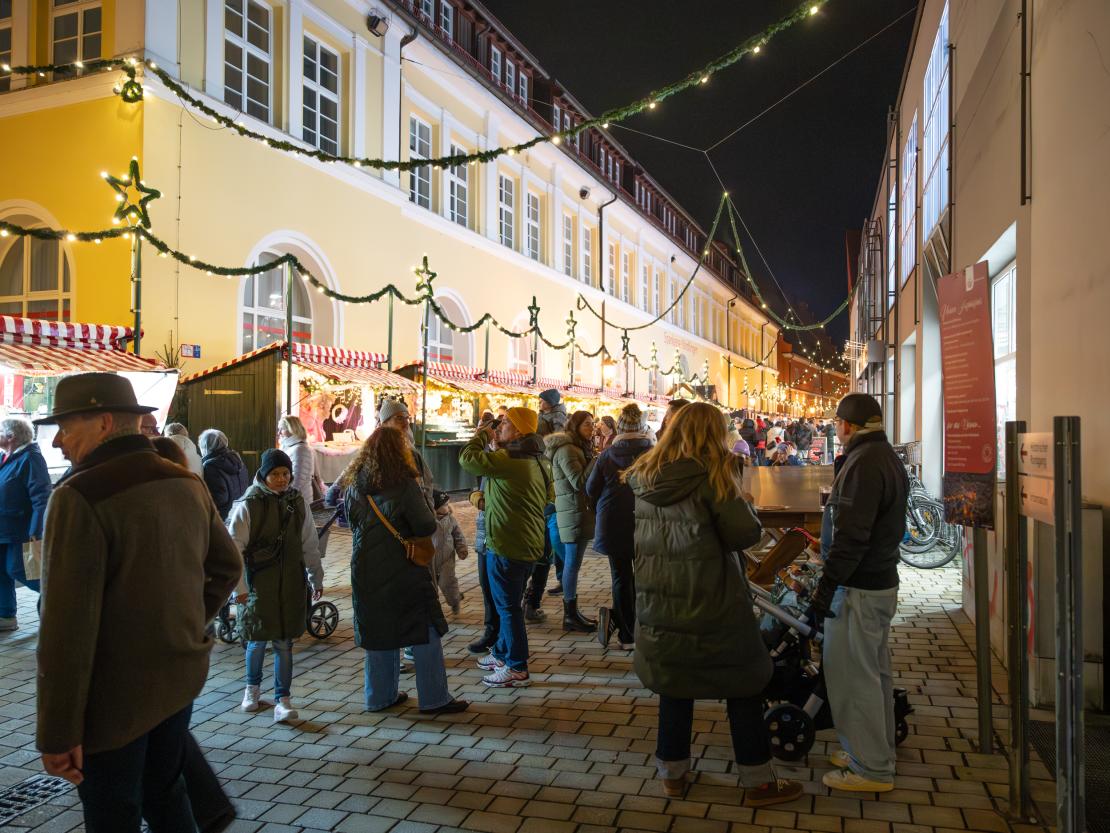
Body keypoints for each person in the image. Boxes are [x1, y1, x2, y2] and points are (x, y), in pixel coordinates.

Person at [35, 372, 241, 832]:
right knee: (166, 796)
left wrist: (57, 733)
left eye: (66, 428)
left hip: (113, 700)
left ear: (104, 422)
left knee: (114, 814)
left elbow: (64, 629)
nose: (58, 444)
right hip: (177, 680)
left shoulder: (79, 496)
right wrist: (183, 626)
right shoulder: (183, 481)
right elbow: (227, 568)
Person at [624, 402, 802, 806]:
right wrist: (747, 504)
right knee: (743, 683)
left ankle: (672, 775)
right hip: (713, 598)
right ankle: (757, 781)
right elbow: (743, 535)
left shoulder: (646, 477)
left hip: (659, 596)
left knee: (675, 683)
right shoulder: (712, 475)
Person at [810, 394, 908, 793]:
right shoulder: (883, 455)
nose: (836, 429)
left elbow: (852, 536)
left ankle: (871, 769)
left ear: (847, 425)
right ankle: (874, 752)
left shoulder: (863, 464)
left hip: (859, 587)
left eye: (837, 423)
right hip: (877, 582)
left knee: (855, 679)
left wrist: (827, 585)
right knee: (874, 674)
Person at [343, 428, 469, 715]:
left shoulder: (355, 485)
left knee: (378, 629)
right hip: (404, 566)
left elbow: (351, 522)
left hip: (365, 566)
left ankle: (379, 697)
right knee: (424, 629)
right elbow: (425, 526)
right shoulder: (404, 484)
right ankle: (434, 697)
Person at [226, 448, 324, 723]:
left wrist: (316, 576)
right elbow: (234, 548)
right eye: (276, 474)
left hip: (290, 582)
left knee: (284, 643)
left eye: (285, 474)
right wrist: (240, 589)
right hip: (259, 583)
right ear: (263, 474)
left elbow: (309, 543)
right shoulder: (249, 503)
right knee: (256, 640)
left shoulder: (296, 502)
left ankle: (283, 699)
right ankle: (252, 691)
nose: (282, 479)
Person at [459, 407, 552, 688]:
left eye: (506, 424)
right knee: (505, 603)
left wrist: (479, 435)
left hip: (508, 542)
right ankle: (501, 654)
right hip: (524, 540)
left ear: (521, 431)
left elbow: (468, 460)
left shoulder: (511, 458)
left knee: (508, 607)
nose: (499, 428)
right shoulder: (537, 459)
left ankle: (516, 666)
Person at [586, 403, 652, 650]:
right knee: (648, 577)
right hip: (648, 522)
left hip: (613, 522)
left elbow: (590, 489)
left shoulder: (606, 455)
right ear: (643, 427)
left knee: (621, 578)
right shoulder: (655, 454)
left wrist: (600, 509)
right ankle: (648, 630)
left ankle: (627, 636)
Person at [545, 410, 597, 632]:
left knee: (572, 564)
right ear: (575, 426)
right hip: (572, 512)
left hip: (577, 511)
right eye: (587, 424)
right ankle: (570, 615)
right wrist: (596, 461)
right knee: (571, 565)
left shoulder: (575, 448)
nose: (592, 428)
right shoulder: (567, 450)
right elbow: (578, 482)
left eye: (593, 424)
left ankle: (573, 612)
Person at [0, 417, 49, 632]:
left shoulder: (31, 458)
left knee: (18, 569)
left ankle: (63, 598)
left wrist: (35, 531)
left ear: (11, 437)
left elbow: (41, 497)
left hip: (21, 529)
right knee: (1, 571)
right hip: (4, 527)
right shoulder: (7, 457)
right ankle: (6, 615)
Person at [199, 429, 250, 520]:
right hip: (238, 511)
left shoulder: (211, 466)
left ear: (205, 446)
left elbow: (219, 498)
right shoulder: (236, 459)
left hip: (221, 517)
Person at [431, 490, 468, 615]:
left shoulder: (451, 520)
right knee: (430, 588)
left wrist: (462, 548)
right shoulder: (428, 521)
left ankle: (455, 600)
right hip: (429, 560)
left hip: (446, 559)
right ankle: (433, 611)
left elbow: (458, 535)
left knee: (448, 583)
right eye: (445, 505)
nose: (448, 507)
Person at [278, 415, 317, 500]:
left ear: (292, 429)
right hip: (291, 497)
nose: (279, 432)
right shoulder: (288, 446)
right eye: (279, 429)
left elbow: (297, 480)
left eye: (282, 429)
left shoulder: (301, 449)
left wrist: (282, 495)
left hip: (299, 500)